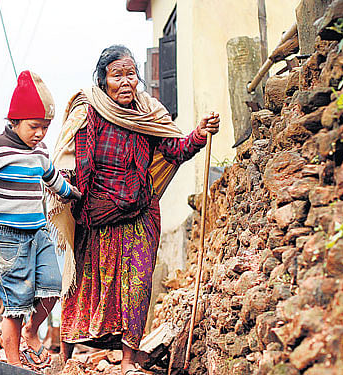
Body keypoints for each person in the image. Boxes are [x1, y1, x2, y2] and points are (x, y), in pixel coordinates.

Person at [48, 45, 220, 375]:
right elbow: (74, 161)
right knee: (82, 287)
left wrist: (199, 134)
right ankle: (65, 359)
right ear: (103, 80)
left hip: (140, 214)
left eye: (131, 74)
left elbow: (175, 150)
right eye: (117, 75)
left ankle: (128, 362)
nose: (126, 82)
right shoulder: (88, 110)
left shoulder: (149, 113)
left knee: (138, 288)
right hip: (96, 217)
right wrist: (67, 188)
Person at [0, 70, 81, 370]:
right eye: (34, 126)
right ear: (15, 121)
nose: (40, 134)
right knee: (16, 304)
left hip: (38, 233)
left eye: (45, 128)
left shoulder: (40, 151)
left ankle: (31, 331)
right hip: (7, 238)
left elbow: (52, 179)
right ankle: (12, 364)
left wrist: (73, 193)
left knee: (52, 287)